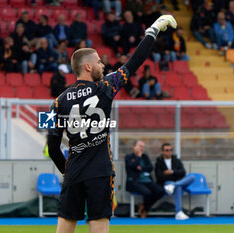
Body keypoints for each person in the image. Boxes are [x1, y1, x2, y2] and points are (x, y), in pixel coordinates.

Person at [47, 15, 177, 233]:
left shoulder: (57, 102)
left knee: (64, 229)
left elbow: (52, 148)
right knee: (99, 227)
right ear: (88, 67)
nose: (103, 65)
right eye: (99, 61)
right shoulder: (105, 87)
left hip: (74, 174)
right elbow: (135, 62)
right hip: (99, 172)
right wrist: (153, 30)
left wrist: (67, 172)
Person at [155, 143, 195, 220]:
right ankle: (178, 212)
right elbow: (159, 176)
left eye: (170, 150)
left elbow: (183, 172)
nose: (169, 152)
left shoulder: (176, 160)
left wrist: (172, 172)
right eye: (167, 150)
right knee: (178, 187)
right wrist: (174, 176)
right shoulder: (159, 162)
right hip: (166, 183)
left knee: (192, 177)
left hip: (177, 182)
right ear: (163, 151)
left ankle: (174, 185)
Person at [125, 140, 164, 218]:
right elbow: (132, 166)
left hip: (148, 181)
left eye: (143, 147)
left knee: (160, 191)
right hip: (135, 182)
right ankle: (145, 210)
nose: (142, 148)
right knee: (147, 193)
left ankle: (145, 207)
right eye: (140, 146)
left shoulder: (145, 157)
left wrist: (141, 168)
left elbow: (150, 167)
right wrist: (139, 157)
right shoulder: (129, 157)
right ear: (134, 147)